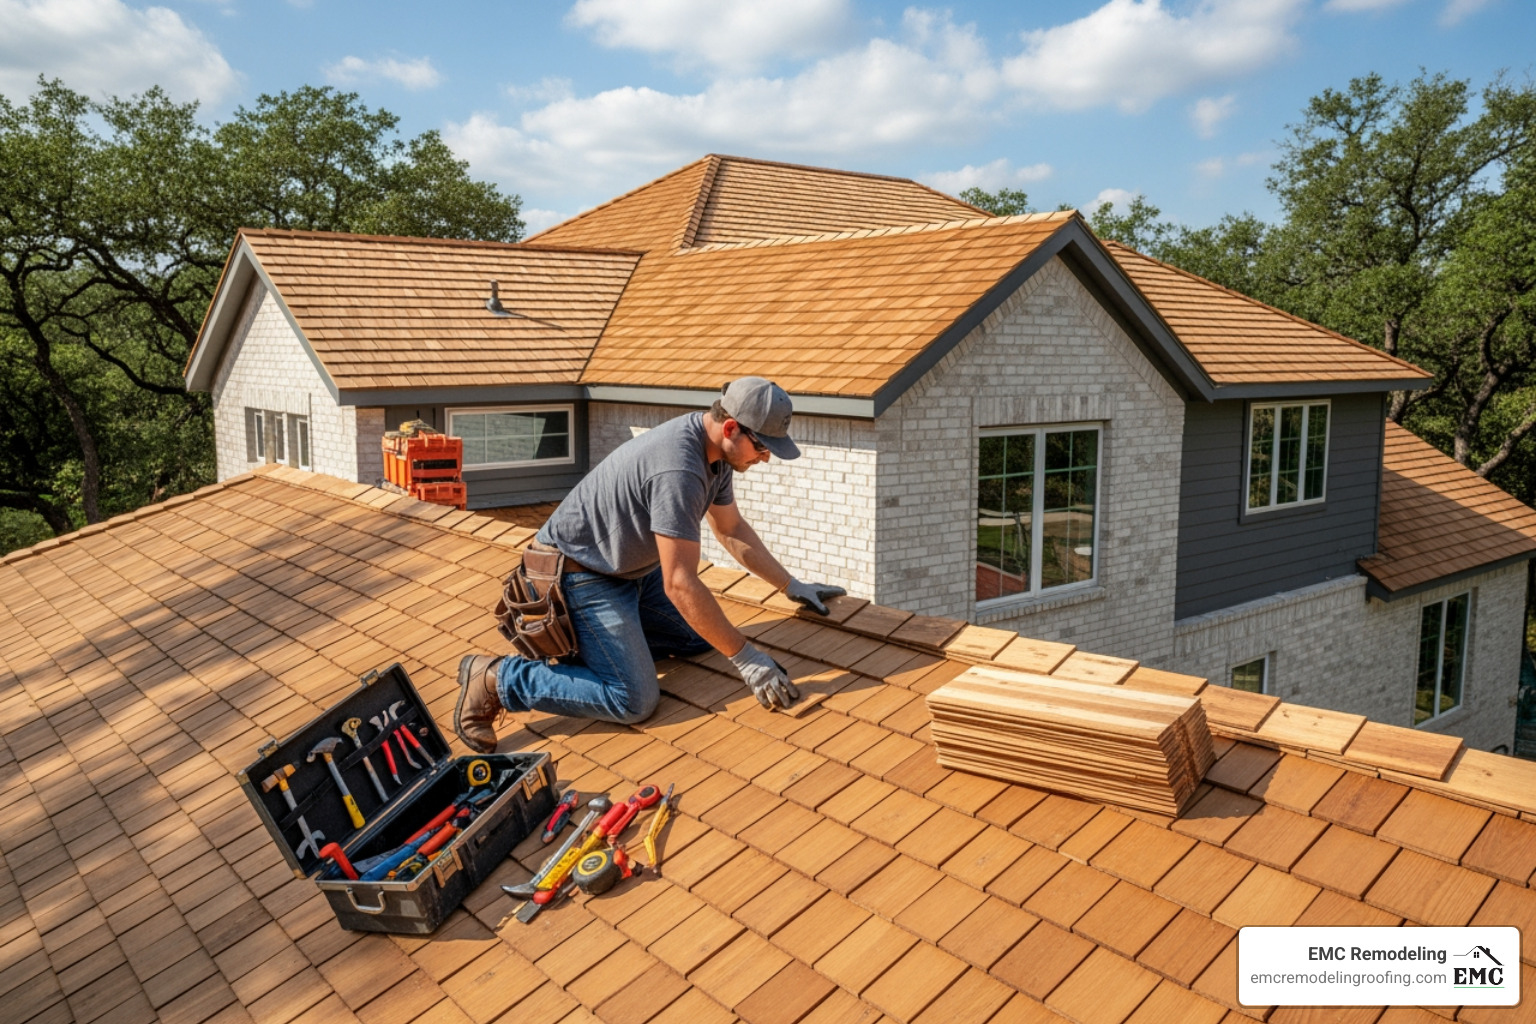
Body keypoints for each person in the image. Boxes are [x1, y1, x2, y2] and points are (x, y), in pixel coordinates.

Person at [453, 377, 846, 753]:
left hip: (630, 571)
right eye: (763, 447)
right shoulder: (679, 469)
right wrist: (748, 661)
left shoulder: (717, 458)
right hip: (580, 576)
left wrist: (790, 585)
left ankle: (597, 648)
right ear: (731, 428)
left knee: (700, 636)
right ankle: (498, 680)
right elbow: (679, 584)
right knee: (632, 698)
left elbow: (730, 528)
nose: (765, 458)